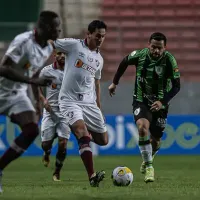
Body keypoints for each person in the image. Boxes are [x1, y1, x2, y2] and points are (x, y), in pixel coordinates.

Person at [0, 10, 61, 192]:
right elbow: (3, 69)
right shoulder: (23, 41)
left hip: (17, 93)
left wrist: (38, 99)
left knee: (31, 129)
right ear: (46, 28)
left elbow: (33, 72)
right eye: (57, 27)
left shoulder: (48, 47)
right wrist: (32, 82)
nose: (59, 31)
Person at [108, 32, 181, 183]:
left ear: (164, 48)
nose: (156, 50)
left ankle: (151, 155)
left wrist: (162, 101)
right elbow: (124, 62)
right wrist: (115, 82)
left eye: (159, 48)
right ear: (149, 45)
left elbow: (176, 86)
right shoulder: (140, 55)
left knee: (156, 140)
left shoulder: (169, 60)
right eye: (153, 47)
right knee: (142, 128)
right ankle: (149, 167)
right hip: (141, 100)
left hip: (160, 103)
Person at [52, 20, 108, 187]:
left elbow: (96, 83)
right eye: (97, 36)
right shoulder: (74, 46)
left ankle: (79, 128)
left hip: (89, 103)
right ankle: (92, 176)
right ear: (88, 34)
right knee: (83, 134)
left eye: (103, 37)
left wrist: (98, 106)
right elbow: (52, 42)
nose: (100, 39)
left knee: (103, 140)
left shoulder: (99, 59)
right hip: (69, 100)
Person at [39, 50, 70, 181]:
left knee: (63, 143)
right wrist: (43, 99)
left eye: (64, 54)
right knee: (46, 144)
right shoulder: (46, 71)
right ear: (54, 56)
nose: (62, 56)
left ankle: (57, 172)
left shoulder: (73, 70)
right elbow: (37, 86)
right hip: (50, 112)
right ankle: (46, 153)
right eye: (59, 53)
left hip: (66, 112)